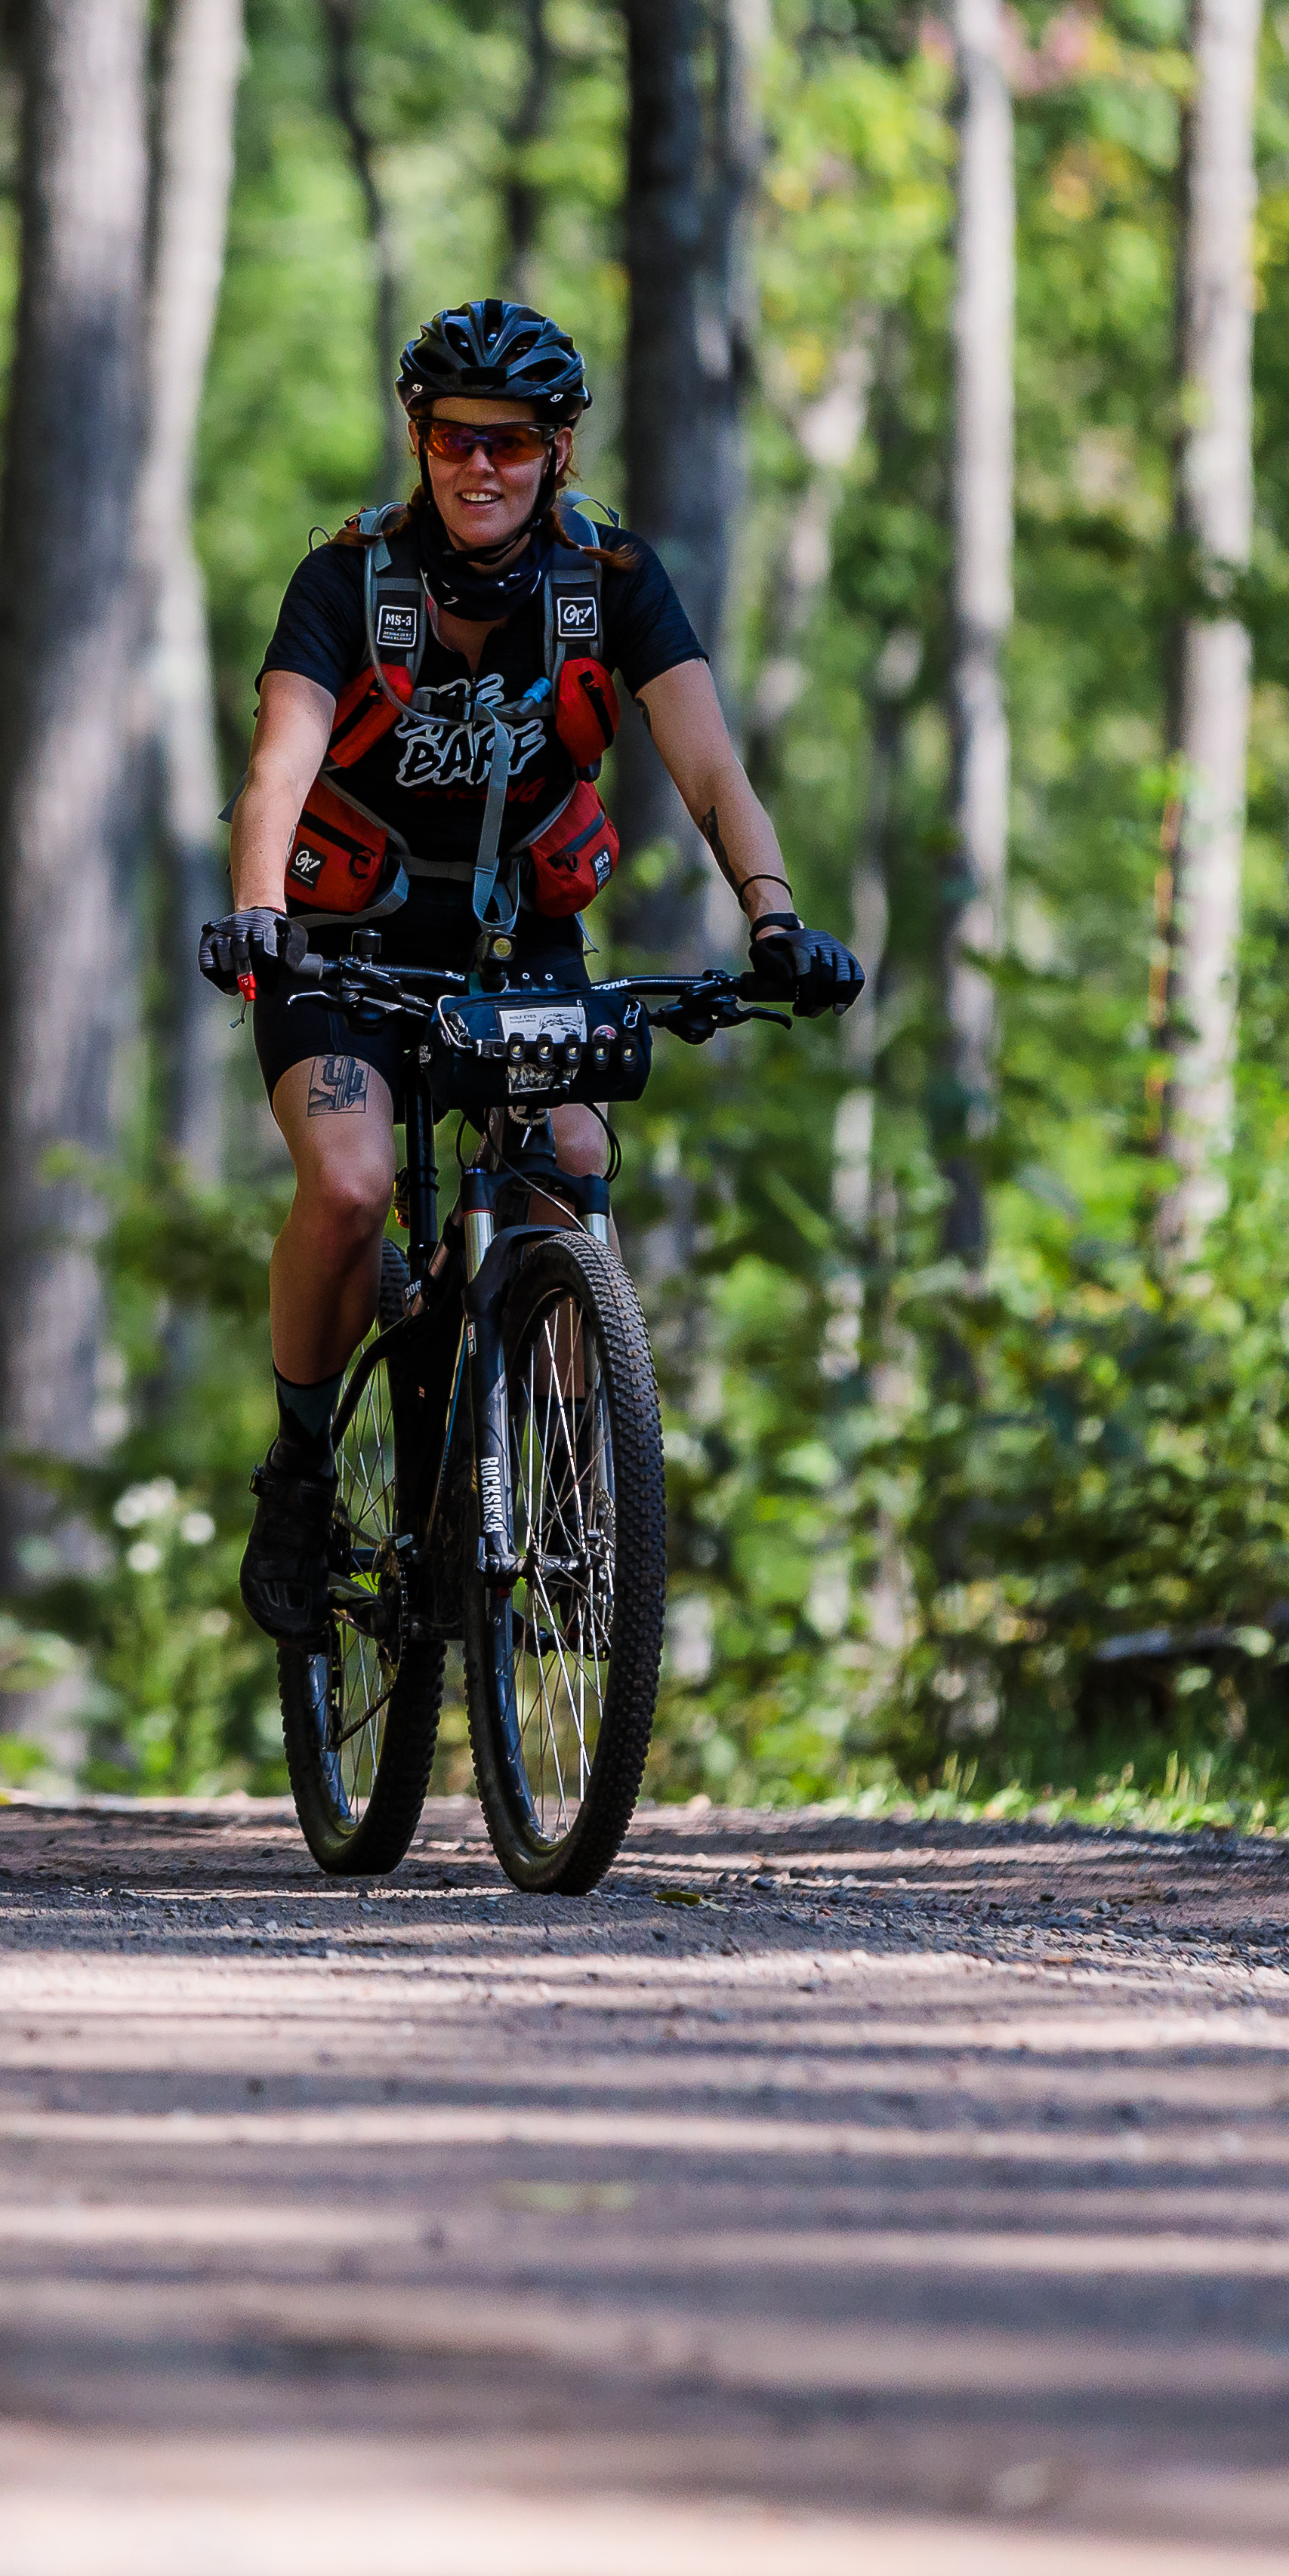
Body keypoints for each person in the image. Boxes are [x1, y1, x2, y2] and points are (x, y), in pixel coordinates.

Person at [197, 297, 863, 1641]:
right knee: (350, 1179)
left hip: (514, 940)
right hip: (341, 938)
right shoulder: (348, 581)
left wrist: (774, 916)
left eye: (510, 442)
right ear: (418, 438)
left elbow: (707, 761)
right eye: (453, 439)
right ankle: (302, 1467)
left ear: (559, 450)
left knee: (569, 1161)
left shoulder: (609, 582)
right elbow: (279, 763)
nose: (479, 468)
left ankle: (560, 1482)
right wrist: (257, 910)